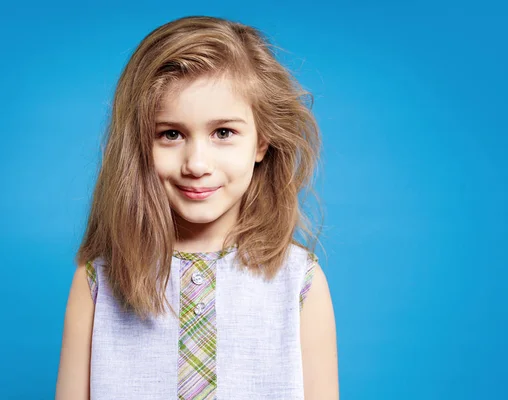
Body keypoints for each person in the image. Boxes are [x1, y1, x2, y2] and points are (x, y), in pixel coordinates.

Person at [55, 15, 338, 400]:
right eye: (171, 134)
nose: (197, 164)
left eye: (224, 133)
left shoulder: (299, 282)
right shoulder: (97, 283)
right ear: (140, 145)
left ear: (261, 143)